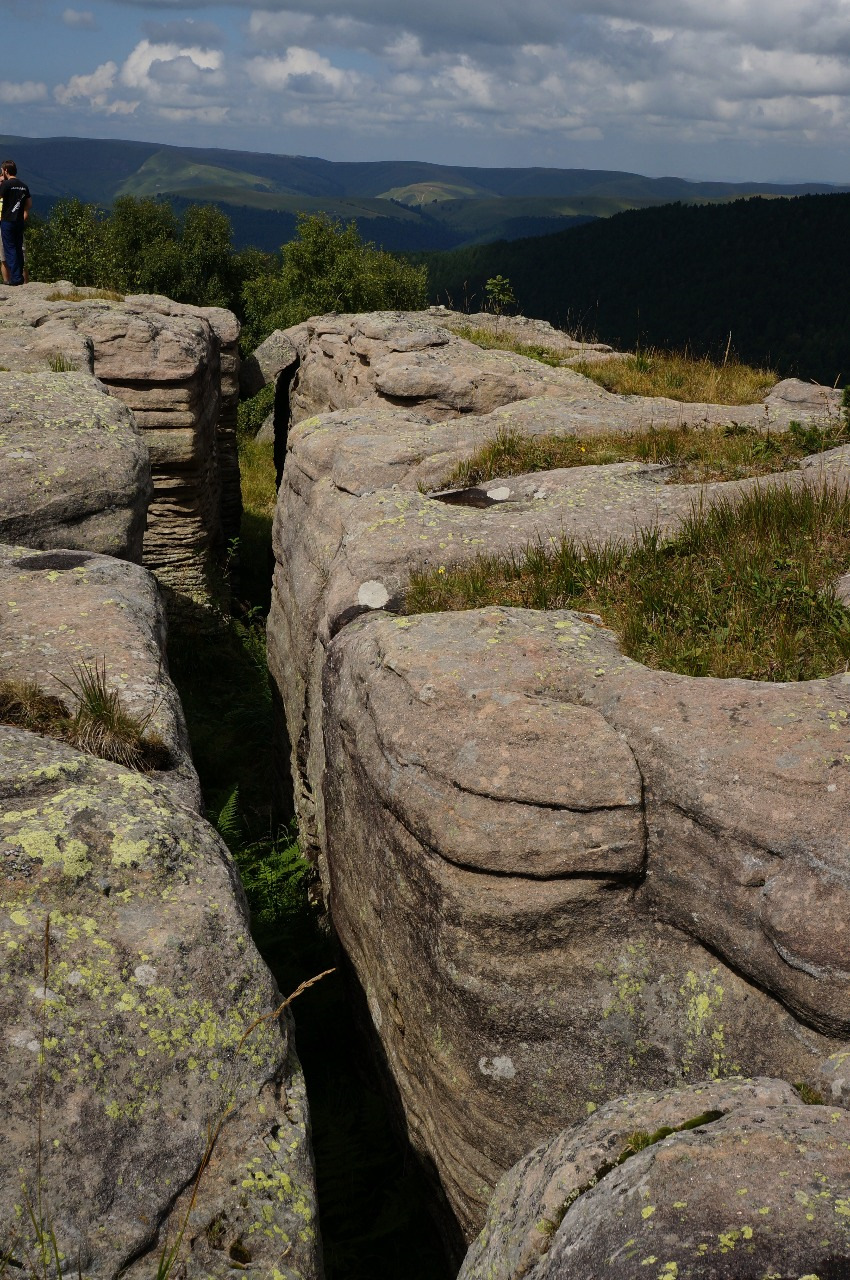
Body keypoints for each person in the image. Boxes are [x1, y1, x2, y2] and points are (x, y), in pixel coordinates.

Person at [0, 161, 31, 286]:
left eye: (2, 170)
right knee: (18, 248)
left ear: (6, 171)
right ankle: (20, 277)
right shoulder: (23, 186)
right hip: (19, 220)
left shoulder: (7, 185)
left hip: (8, 220)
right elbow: (29, 204)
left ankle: (16, 278)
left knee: (10, 249)